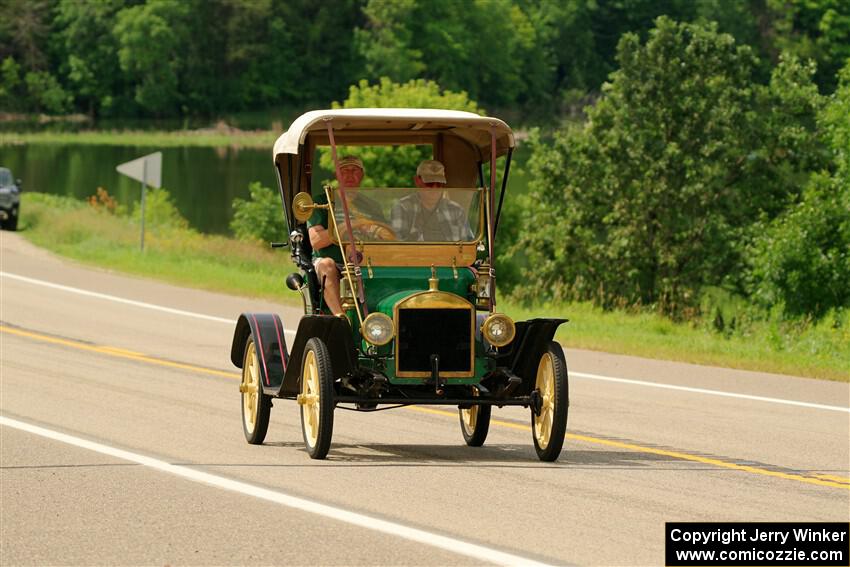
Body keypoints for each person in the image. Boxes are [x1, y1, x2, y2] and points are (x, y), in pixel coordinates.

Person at [307, 155, 384, 316]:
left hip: (364, 261)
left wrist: (373, 231)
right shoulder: (323, 201)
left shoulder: (372, 206)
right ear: (336, 174)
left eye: (354, 170)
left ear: (362, 175)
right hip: (333, 261)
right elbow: (315, 241)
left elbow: (385, 236)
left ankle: (382, 314)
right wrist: (344, 228)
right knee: (326, 265)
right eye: (344, 171)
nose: (349, 175)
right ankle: (340, 317)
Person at [390, 159, 473, 242]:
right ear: (417, 181)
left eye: (439, 184)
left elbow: (468, 246)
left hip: (450, 255)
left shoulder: (457, 211)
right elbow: (397, 245)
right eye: (429, 183)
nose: (435, 188)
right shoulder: (402, 207)